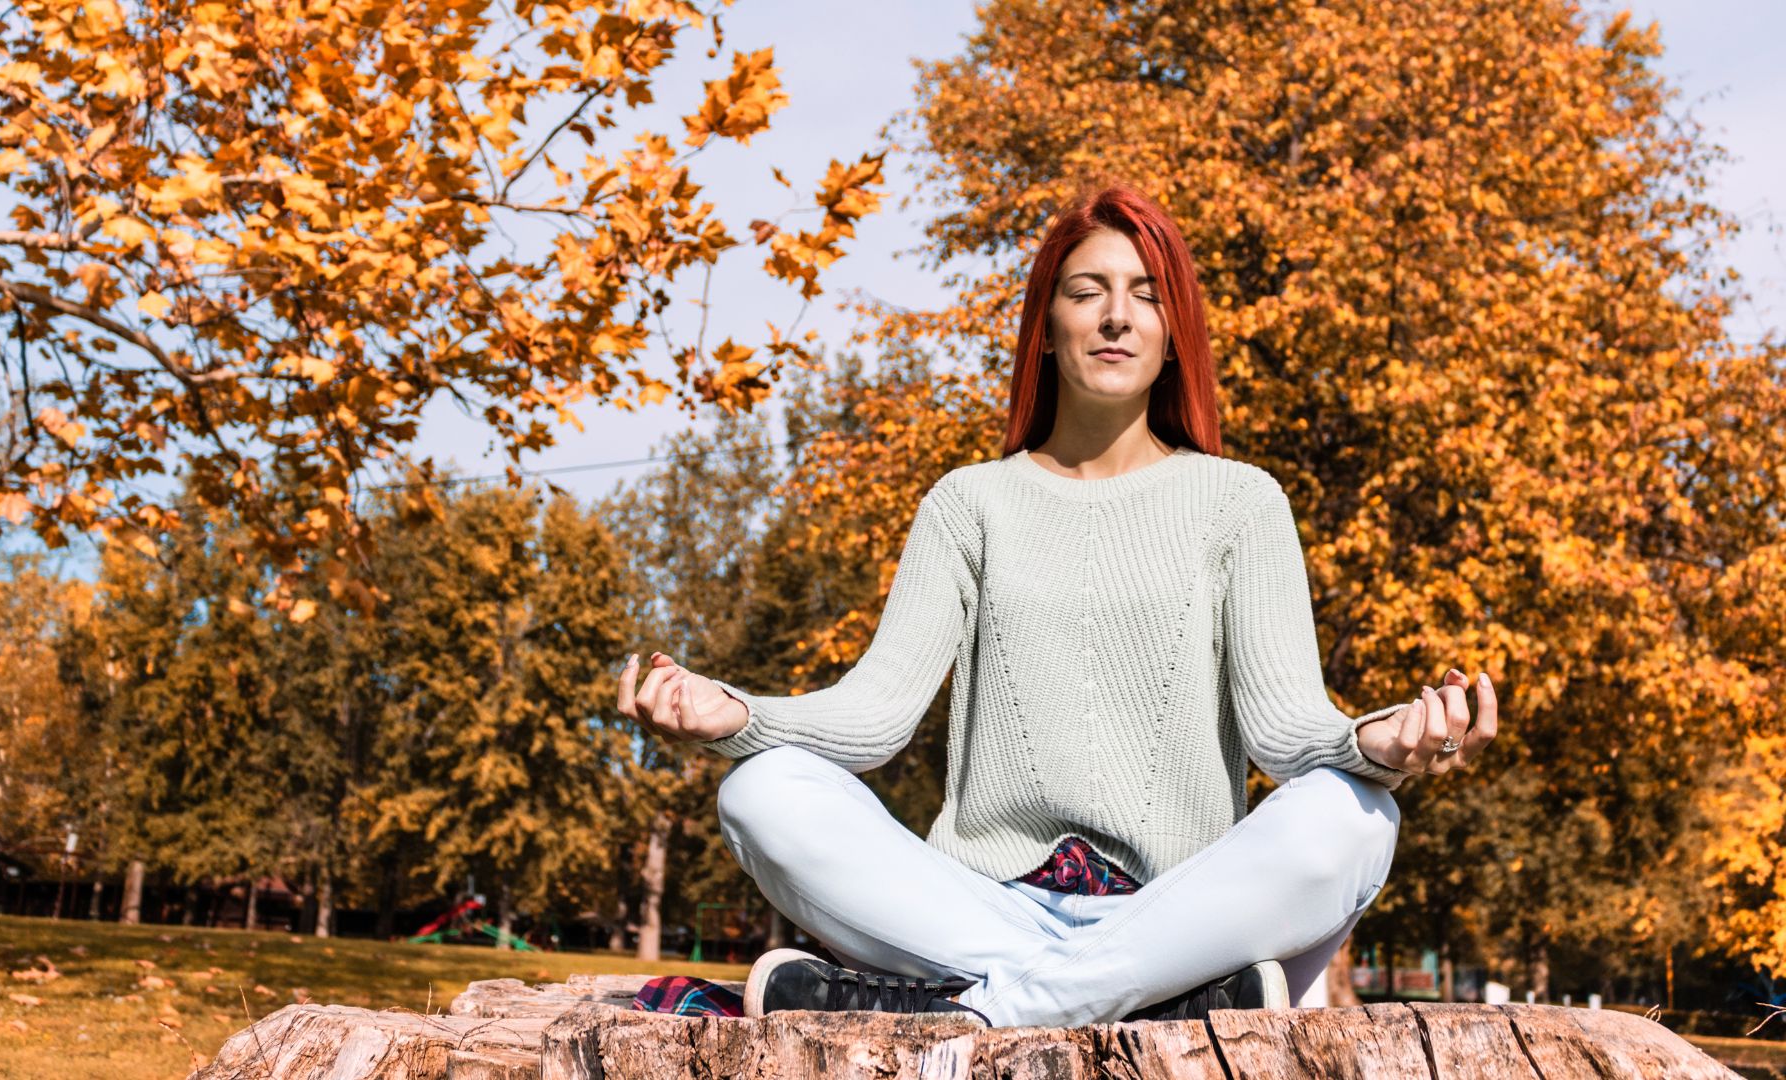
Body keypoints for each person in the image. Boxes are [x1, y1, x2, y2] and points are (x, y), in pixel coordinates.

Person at [613, 181, 1499, 1029]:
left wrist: (1373, 743)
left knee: (1356, 815)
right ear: (1047, 328)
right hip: (973, 909)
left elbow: (1284, 734)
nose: (1117, 314)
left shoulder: (1242, 503)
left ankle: (986, 1012)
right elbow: (873, 717)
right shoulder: (969, 503)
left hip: (1175, 914)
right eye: (1088, 290)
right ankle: (1135, 1002)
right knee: (764, 790)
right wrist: (738, 714)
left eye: (1147, 295)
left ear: (1174, 333)